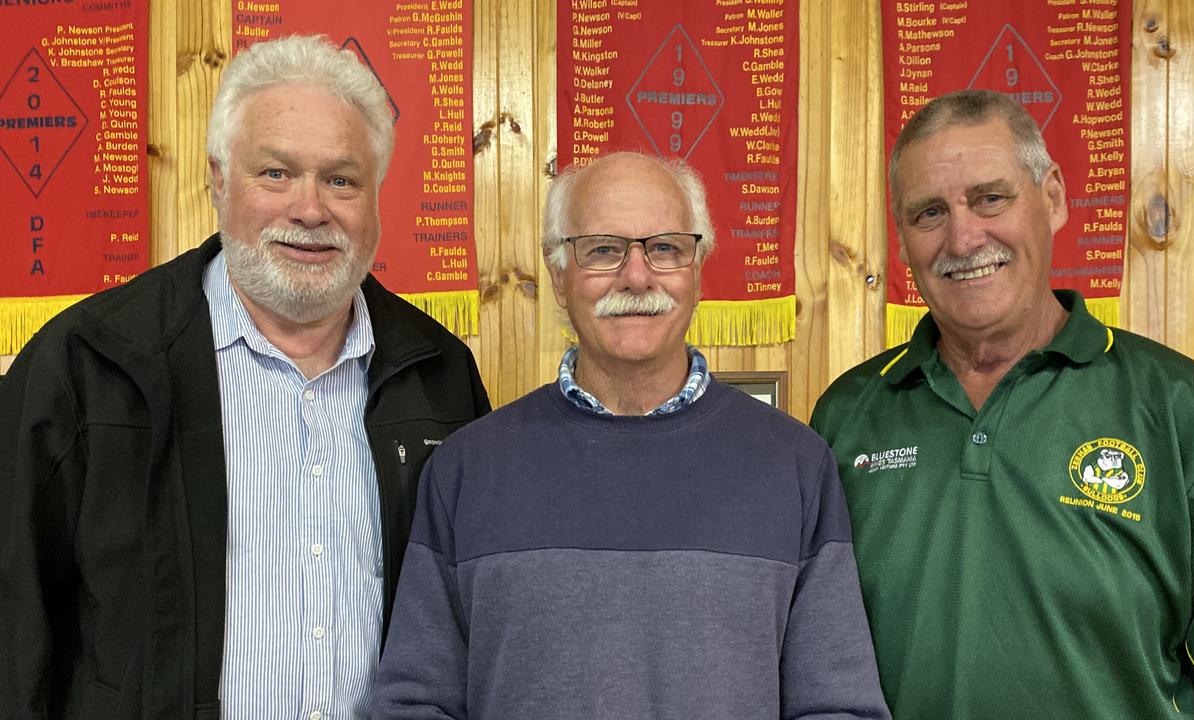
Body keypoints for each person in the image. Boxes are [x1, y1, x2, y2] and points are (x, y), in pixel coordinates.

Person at [0, 35, 490, 718]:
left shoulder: (438, 376)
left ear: (375, 197)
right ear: (217, 181)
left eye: (341, 179)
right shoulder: (86, 366)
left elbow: (471, 621)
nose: (311, 209)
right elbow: (13, 627)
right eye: (276, 174)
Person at [811, 89, 1194, 718]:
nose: (964, 237)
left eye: (990, 198)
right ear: (901, 240)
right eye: (928, 213)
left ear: (1053, 197)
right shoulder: (845, 417)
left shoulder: (1184, 412)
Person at [371, 151, 890, 719]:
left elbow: (838, 705)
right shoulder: (467, 468)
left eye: (665, 247)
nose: (637, 275)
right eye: (603, 249)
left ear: (697, 271)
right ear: (559, 277)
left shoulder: (794, 464)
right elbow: (417, 701)